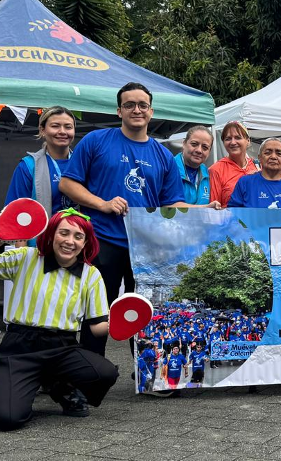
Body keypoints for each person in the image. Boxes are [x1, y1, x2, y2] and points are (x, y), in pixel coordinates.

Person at [59, 82, 190, 356]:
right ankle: (90, 371)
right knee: (96, 309)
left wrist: (205, 210)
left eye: (142, 105)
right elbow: (68, 184)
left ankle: (146, 372)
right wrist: (102, 204)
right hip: (102, 240)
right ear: (119, 110)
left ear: (151, 111)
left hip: (146, 248)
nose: (136, 110)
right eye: (129, 105)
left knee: (144, 310)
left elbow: (173, 204)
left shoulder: (163, 156)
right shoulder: (97, 140)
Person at [0, 209, 119, 430]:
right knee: (6, 419)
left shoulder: (90, 274)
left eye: (78, 236)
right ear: (51, 234)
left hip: (62, 348)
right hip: (19, 348)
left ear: (85, 243)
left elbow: (98, 328)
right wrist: (0, 236)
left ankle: (59, 384)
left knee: (105, 373)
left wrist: (122, 326)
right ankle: (33, 381)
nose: (69, 241)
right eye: (63, 233)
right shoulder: (26, 257)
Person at [4, 107, 78, 246]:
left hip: (75, 246)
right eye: (55, 126)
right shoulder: (29, 166)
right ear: (42, 130)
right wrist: (23, 256)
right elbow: (16, 214)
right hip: (40, 247)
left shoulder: (84, 164)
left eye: (68, 127)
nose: (62, 131)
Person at [228, 138, 281, 209]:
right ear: (259, 158)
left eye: (279, 153)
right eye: (267, 153)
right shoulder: (245, 183)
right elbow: (233, 215)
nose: (273, 157)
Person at [209, 121, 259, 207]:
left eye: (238, 137)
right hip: (230, 219)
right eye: (228, 139)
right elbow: (214, 208)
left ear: (248, 141)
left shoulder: (258, 166)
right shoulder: (216, 170)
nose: (233, 142)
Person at [174, 125, 213, 205]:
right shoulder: (168, 169)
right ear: (184, 144)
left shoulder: (209, 174)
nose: (199, 150)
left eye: (205, 147)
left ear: (209, 152)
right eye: (194, 144)